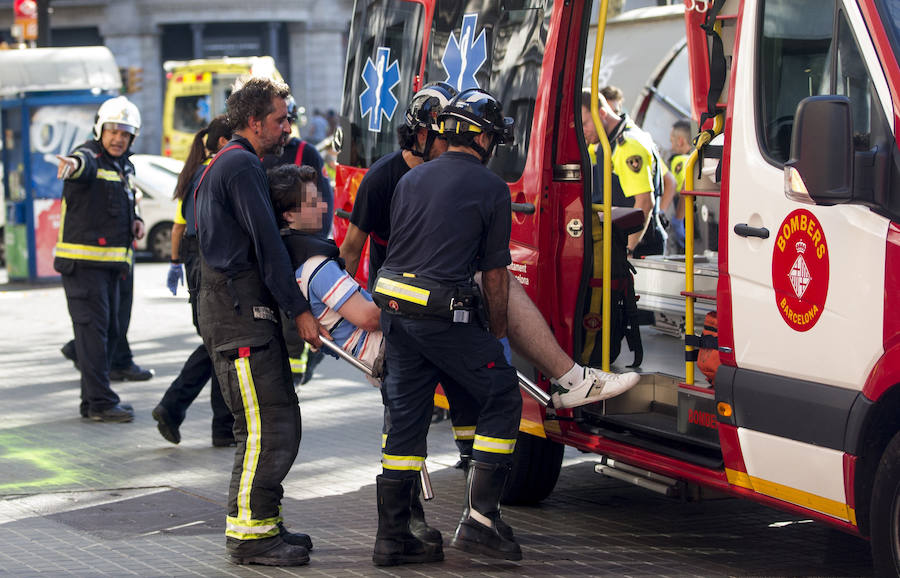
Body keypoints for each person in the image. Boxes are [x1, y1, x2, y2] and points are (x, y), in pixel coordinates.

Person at [342, 83, 640, 409]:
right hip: (403, 299)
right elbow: (351, 250)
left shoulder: (441, 178)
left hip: (443, 288)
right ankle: (572, 380)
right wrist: (345, 318)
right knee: (415, 407)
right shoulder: (385, 179)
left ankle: (571, 379)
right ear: (422, 136)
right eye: (446, 135)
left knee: (455, 400)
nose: (453, 143)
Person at [194, 77, 328, 567]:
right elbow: (267, 244)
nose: (287, 126)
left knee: (275, 422)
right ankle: (251, 536)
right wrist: (301, 312)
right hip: (239, 319)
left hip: (239, 314)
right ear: (254, 122)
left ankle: (263, 519)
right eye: (279, 118)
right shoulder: (241, 164)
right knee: (266, 427)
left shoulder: (227, 164)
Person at [54, 96, 144, 422]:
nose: (118, 138)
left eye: (125, 133)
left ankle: (92, 402)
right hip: (84, 266)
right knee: (95, 334)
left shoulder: (122, 166)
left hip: (110, 266)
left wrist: (137, 220)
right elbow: (80, 165)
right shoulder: (89, 154)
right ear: (100, 130)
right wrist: (72, 167)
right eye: (113, 132)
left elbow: (126, 202)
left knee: (104, 332)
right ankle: (102, 403)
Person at [152, 116, 235, 447]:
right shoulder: (219, 172)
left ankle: (209, 423)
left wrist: (175, 263)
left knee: (216, 347)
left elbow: (178, 227)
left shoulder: (193, 175)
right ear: (222, 142)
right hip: (211, 268)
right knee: (219, 346)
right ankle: (177, 408)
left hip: (195, 266)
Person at [262, 96, 334, 384]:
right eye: (281, 121)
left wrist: (315, 245)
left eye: (289, 120)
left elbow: (322, 200)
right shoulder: (255, 155)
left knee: (297, 327)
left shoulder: (306, 152)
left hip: (299, 247)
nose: (287, 128)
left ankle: (296, 376)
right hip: (272, 247)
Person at [582, 90, 677, 257]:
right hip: (624, 240)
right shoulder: (609, 141)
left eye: (584, 123)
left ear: (602, 113)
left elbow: (645, 202)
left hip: (638, 246)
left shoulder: (627, 146)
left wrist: (628, 250)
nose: (582, 130)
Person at [666, 119, 693, 255]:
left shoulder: (679, 161)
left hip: (685, 220)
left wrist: (678, 219)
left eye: (672, 141)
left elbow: (685, 188)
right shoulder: (695, 160)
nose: (671, 146)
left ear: (680, 141)